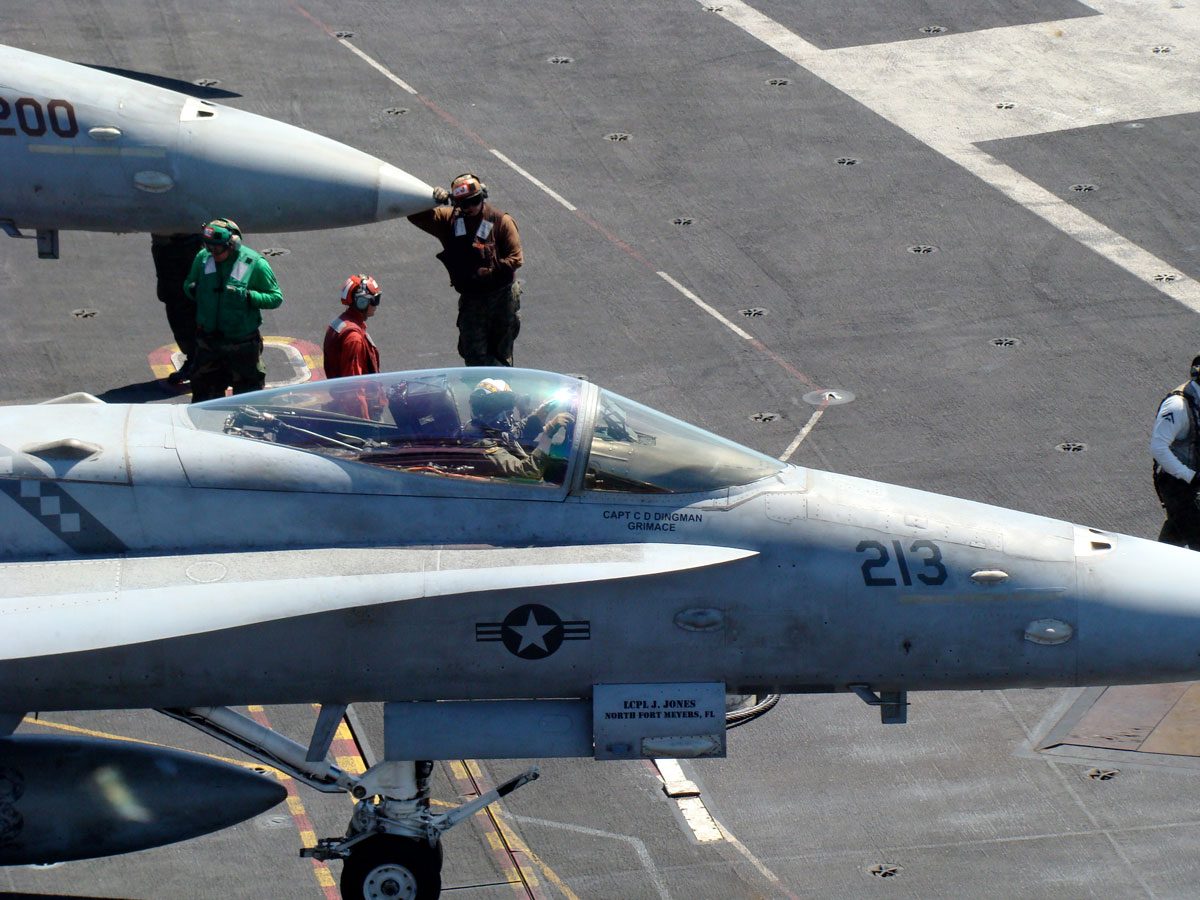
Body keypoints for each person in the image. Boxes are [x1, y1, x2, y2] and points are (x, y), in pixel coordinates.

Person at [408, 173, 523, 366]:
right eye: (463, 204)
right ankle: (479, 392)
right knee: (473, 354)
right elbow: (415, 215)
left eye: (475, 201)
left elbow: (516, 258)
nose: (470, 207)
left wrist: (491, 270)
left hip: (502, 298)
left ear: (482, 197)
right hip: (472, 299)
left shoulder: (501, 221)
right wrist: (432, 200)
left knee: (501, 355)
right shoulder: (449, 221)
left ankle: (502, 392)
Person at [183, 218, 284, 402]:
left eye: (217, 248)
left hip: (242, 346)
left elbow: (275, 297)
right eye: (209, 246)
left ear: (232, 244)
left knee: (248, 403)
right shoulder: (204, 258)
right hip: (208, 344)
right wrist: (193, 290)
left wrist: (248, 296)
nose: (212, 252)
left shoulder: (255, 264)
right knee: (204, 400)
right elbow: (188, 283)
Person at [463, 378, 572, 482]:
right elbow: (528, 473)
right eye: (499, 407)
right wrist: (549, 432)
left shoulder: (490, 430)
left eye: (507, 406)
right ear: (482, 410)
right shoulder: (482, 445)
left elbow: (516, 432)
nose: (507, 412)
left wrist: (546, 407)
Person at [1151, 354, 1200, 548]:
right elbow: (1158, 447)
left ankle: (1158, 564)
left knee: (1177, 529)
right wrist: (1189, 476)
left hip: (1194, 478)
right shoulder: (1178, 406)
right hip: (1176, 481)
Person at [324, 274, 383, 419]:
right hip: (358, 411)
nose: (376, 305)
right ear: (362, 302)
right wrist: (365, 422)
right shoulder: (354, 338)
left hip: (342, 405)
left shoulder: (341, 324)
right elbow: (354, 387)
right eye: (374, 300)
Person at [151, 232, 203, 385]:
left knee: (191, 301)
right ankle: (194, 359)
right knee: (173, 299)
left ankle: (202, 361)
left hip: (188, 241)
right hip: (164, 242)